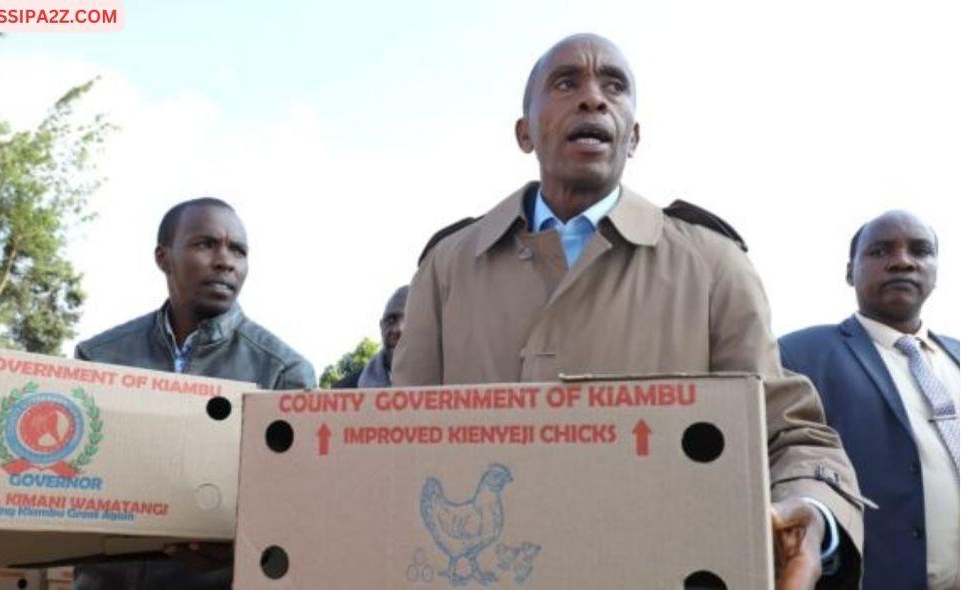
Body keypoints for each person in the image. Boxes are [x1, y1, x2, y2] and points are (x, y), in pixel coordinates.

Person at [394, 33, 866, 589]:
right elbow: (398, 440)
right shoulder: (447, 267)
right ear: (525, 132)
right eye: (566, 83)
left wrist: (811, 510)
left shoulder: (713, 264)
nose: (593, 99)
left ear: (634, 135)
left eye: (613, 86)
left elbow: (790, 435)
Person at [74, 197, 316, 590]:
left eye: (238, 250)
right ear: (163, 257)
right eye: (206, 244)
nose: (225, 261)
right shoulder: (99, 357)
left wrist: (241, 545)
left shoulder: (283, 372)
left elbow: (299, 511)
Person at [780, 211, 958, 590]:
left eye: (921, 251)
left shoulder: (956, 357)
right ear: (850, 272)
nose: (903, 261)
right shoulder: (800, 355)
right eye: (880, 251)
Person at [358, 285, 408, 387]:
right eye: (391, 320)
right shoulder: (345, 390)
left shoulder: (446, 380)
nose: (398, 329)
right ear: (381, 327)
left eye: (410, 320)